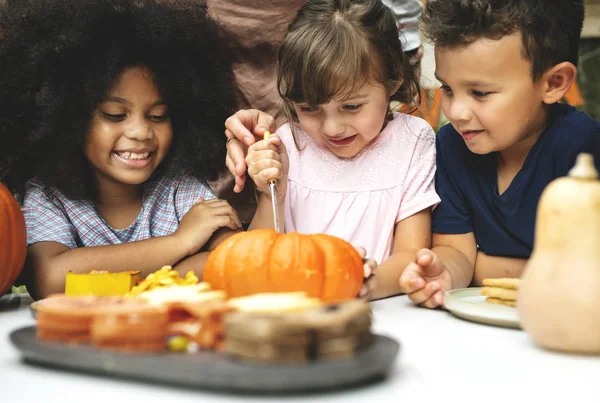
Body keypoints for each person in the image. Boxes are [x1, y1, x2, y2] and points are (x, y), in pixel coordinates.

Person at [0, 0, 243, 299]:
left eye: (158, 116)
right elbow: (50, 280)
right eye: (115, 115)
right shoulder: (48, 197)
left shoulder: (179, 189)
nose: (141, 132)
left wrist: (99, 283)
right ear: (67, 119)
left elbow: (230, 259)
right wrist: (180, 243)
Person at [236, 0, 443, 301]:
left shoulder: (412, 141)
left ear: (392, 84)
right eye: (309, 108)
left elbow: (411, 253)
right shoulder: (288, 144)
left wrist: (362, 283)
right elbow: (255, 259)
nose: (332, 128)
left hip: (382, 315)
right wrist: (273, 194)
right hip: (295, 314)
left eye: (351, 106)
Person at [398, 0, 600, 307]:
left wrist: (486, 265)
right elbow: (456, 252)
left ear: (554, 83)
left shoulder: (587, 151)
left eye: (480, 93)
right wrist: (446, 273)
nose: (455, 111)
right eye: (447, 88)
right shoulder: (452, 146)